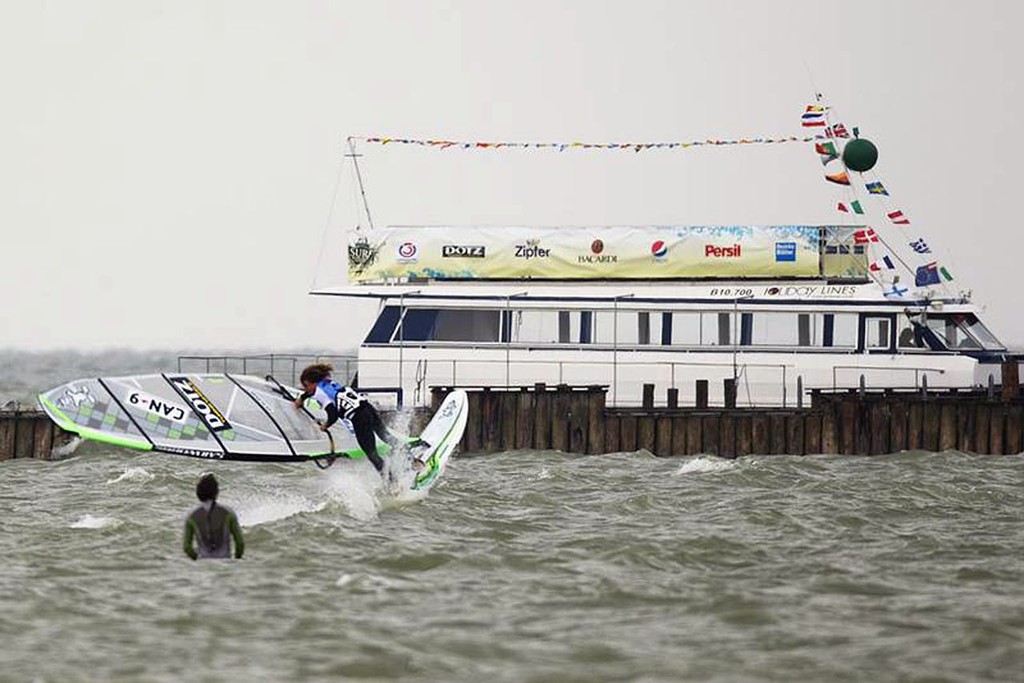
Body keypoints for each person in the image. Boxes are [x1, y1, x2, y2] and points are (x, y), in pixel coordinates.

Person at [293, 363, 404, 475]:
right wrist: (302, 398)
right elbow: (311, 392)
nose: (305, 389)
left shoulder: (319, 393)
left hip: (359, 418)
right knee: (387, 437)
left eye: (306, 385)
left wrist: (325, 426)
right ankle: (412, 458)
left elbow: (333, 414)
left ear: (312, 383)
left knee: (372, 454)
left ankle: (392, 482)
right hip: (368, 408)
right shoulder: (328, 383)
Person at [183, 473, 244, 561]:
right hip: (225, 562)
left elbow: (187, 547)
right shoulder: (228, 513)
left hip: (203, 563)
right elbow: (240, 543)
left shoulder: (192, 516)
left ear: (198, 492)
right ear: (216, 492)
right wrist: (237, 559)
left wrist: (196, 559)